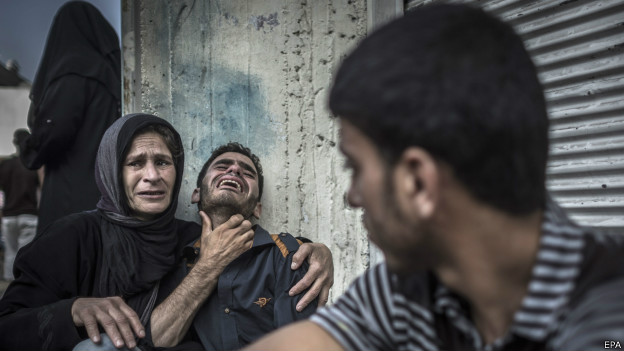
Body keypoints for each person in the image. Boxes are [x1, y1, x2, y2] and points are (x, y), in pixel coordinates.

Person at [246, 3, 624, 351]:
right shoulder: (412, 287)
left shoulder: (606, 321)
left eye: (356, 168)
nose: (353, 197)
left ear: (418, 183)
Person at [0, 113, 332, 351]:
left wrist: (314, 251)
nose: (152, 176)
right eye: (134, 163)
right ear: (111, 173)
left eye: (162, 162)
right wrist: (71, 310)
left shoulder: (188, 239)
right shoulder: (74, 236)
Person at [148, 143, 327, 350]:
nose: (234, 170)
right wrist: (209, 265)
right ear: (196, 194)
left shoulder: (287, 254)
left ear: (257, 208)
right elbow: (158, 339)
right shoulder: (177, 258)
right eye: (222, 166)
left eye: (247, 172)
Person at [19, 1, 121, 235]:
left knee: (65, 261)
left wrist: (26, 144)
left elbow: (55, 131)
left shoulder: (73, 71)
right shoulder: (109, 77)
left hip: (69, 197)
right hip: (104, 193)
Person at [0, 129, 39, 281]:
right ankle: (23, 286)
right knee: (25, 255)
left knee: (10, 253)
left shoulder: (6, 165)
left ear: (14, 143)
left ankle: (9, 290)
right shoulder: (33, 165)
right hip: (29, 214)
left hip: (9, 215)